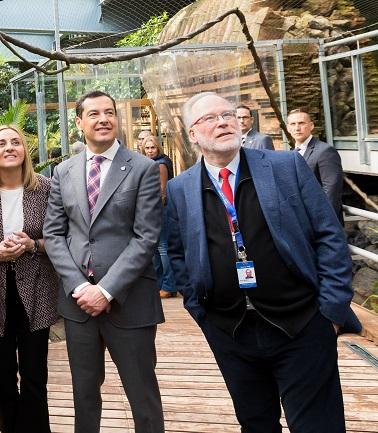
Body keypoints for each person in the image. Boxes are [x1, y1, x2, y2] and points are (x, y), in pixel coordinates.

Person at [166, 91, 361, 433]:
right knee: (256, 424)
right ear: (192, 134)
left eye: (227, 114)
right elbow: (179, 252)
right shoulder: (180, 188)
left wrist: (329, 311)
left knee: (319, 425)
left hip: (302, 324)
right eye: (209, 118)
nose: (223, 122)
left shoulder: (285, 166)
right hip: (231, 332)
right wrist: (203, 314)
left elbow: (328, 235)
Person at [44, 90, 164, 433]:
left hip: (130, 303)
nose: (103, 119)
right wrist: (81, 286)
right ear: (79, 122)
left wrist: (106, 290)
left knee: (143, 396)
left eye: (109, 112)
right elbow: (54, 235)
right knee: (84, 396)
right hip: (78, 306)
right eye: (93, 114)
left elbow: (146, 238)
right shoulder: (63, 171)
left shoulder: (142, 168)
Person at [0, 124, 58, 433]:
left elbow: (59, 237)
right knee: (2, 377)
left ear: (24, 150)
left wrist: (32, 245)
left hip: (37, 291)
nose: (9, 147)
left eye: (15, 142)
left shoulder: (45, 188)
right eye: (1, 143)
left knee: (34, 376)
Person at [287, 108, 344, 224]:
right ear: (288, 128)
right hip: (300, 222)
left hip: (321, 223)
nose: (297, 128)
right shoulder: (291, 153)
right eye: (293, 124)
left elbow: (331, 191)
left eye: (301, 123)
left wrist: (323, 223)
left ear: (311, 126)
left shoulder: (325, 151)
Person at [141, 135, 176, 299]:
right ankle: (161, 284)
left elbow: (162, 191)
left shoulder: (160, 164)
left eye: (152, 147)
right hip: (152, 210)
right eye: (147, 148)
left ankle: (169, 285)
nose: (149, 151)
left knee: (162, 248)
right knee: (155, 249)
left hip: (159, 210)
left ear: (158, 148)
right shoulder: (150, 163)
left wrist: (152, 211)